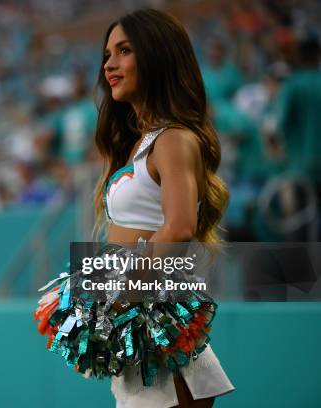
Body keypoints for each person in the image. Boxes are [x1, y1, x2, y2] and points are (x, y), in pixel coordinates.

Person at [92, 9, 235, 407]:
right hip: (138, 323)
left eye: (123, 51)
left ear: (156, 57)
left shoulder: (173, 139)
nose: (110, 64)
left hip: (154, 321)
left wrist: (120, 293)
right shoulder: (139, 142)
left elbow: (178, 227)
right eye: (107, 54)